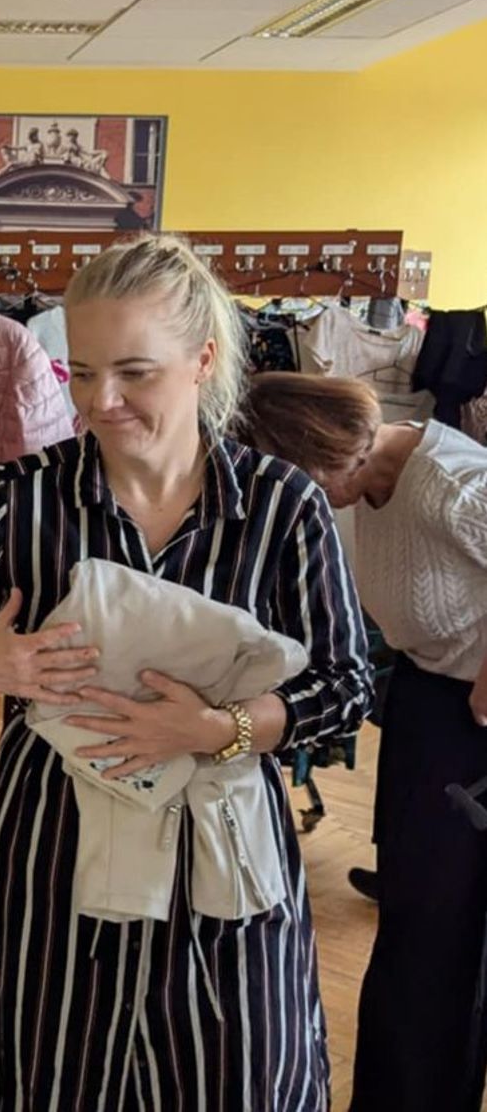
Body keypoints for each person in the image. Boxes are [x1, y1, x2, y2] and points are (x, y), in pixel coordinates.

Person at [0, 236, 372, 1110]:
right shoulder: (15, 501)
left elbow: (343, 687)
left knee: (232, 1073)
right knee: (52, 1072)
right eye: (80, 373)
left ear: (202, 360)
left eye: (133, 373)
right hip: (51, 843)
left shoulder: (280, 506)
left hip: (223, 845)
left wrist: (215, 728)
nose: (100, 403)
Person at [240, 371, 487, 1111]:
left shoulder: (446, 481)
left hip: (473, 718)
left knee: (446, 938)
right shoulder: (364, 485)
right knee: (415, 930)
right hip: (426, 701)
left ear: (320, 449)